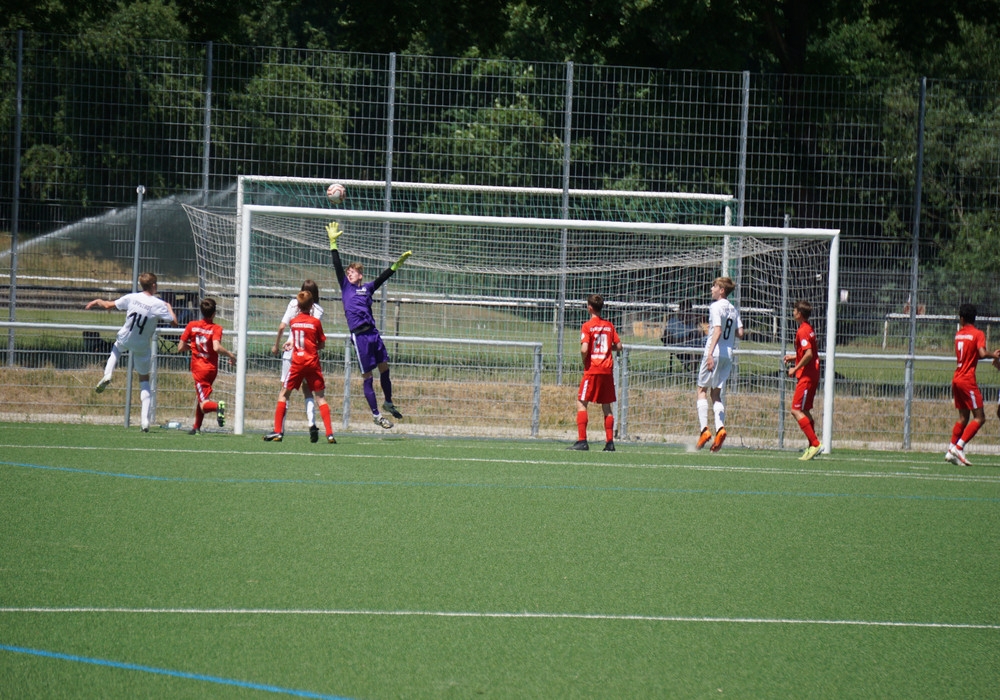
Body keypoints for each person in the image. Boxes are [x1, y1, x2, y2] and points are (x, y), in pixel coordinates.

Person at [326, 220, 411, 429]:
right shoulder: (345, 287)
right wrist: (333, 244)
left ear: (360, 275)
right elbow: (337, 266)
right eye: (348, 272)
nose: (349, 273)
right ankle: (376, 415)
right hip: (360, 337)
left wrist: (396, 265)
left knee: (385, 369)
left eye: (352, 272)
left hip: (373, 334)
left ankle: (388, 402)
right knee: (367, 377)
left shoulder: (367, 288)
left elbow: (382, 278)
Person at [85, 272, 178, 432]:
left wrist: (97, 301)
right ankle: (144, 421)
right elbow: (174, 322)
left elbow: (108, 305)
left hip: (126, 337)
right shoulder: (158, 304)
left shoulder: (132, 297)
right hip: (142, 344)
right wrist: (169, 306)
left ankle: (108, 373)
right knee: (144, 380)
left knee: (116, 348)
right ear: (153, 285)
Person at [264, 290, 336, 443]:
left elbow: (297, 339)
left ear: (298, 306)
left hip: (297, 363)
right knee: (320, 397)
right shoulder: (315, 322)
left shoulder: (294, 322)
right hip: (312, 363)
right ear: (311, 306)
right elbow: (321, 344)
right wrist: (312, 347)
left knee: (284, 394)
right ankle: (330, 434)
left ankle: (278, 431)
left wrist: (292, 345)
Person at [272, 280, 325, 442]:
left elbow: (282, 326)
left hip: (292, 354)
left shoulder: (293, 303)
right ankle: (312, 423)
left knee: (284, 392)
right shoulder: (318, 310)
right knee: (308, 391)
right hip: (309, 356)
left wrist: (276, 345)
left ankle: (279, 430)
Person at [568, 294, 623, 452]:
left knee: (582, 402)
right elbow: (619, 346)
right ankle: (610, 443)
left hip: (592, 369)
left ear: (589, 307)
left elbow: (584, 349)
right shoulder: (609, 325)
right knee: (606, 406)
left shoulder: (587, 326)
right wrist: (608, 349)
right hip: (607, 370)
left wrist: (584, 358)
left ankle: (582, 441)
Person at [695, 276, 744, 452]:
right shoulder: (733, 309)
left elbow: (717, 330)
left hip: (714, 352)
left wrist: (709, 354)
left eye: (714, 286)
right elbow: (740, 333)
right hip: (727, 355)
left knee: (701, 390)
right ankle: (720, 428)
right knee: (716, 394)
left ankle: (704, 430)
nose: (712, 289)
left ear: (722, 290)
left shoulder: (715, 306)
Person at [944, 303, 997, 465]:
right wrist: (994, 355)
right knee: (980, 417)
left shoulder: (958, 335)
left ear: (961, 318)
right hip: (968, 380)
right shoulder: (977, 333)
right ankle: (959, 447)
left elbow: (973, 354)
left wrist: (985, 354)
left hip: (957, 378)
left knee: (963, 417)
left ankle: (950, 450)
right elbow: (981, 353)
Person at [177, 298, 236, 435]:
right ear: (214, 313)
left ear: (201, 311)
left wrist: (192, 347)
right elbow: (216, 347)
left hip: (199, 369)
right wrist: (230, 355)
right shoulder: (217, 328)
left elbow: (180, 347)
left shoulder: (192, 325)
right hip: (212, 369)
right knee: (202, 397)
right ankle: (196, 427)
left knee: (204, 402)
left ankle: (217, 407)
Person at [783, 300, 822, 460]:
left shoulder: (803, 331)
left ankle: (815, 443)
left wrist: (795, 368)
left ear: (799, 313)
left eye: (794, 310)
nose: (793, 312)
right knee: (804, 410)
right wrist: (794, 357)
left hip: (806, 376)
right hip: (812, 373)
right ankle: (812, 446)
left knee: (796, 410)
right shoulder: (808, 328)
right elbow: (807, 352)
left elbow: (809, 354)